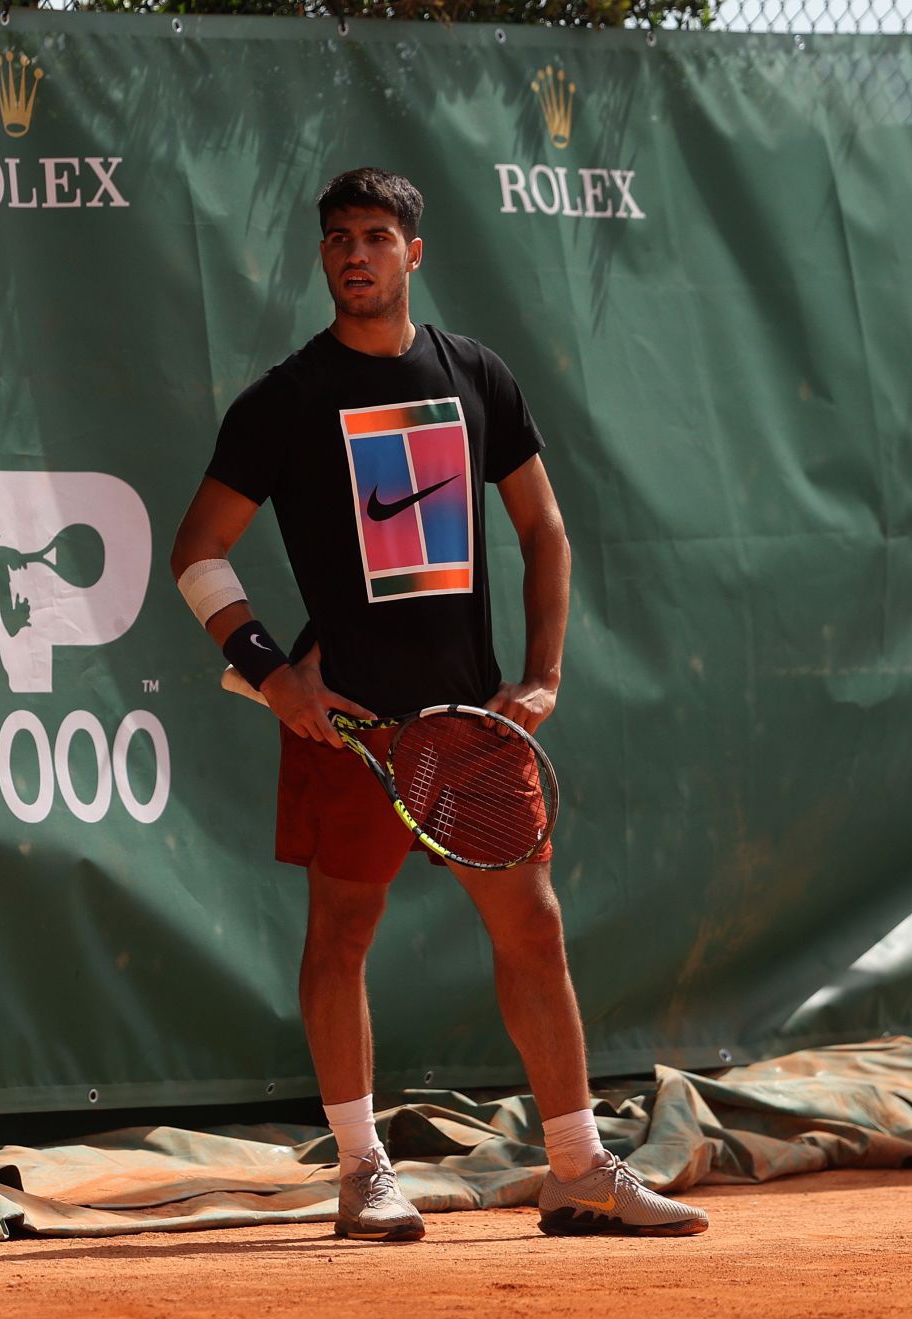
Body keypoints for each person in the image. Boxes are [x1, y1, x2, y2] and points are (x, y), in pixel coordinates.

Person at [169, 167, 708, 1242]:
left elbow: (545, 530)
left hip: (470, 723)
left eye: (376, 236)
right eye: (336, 238)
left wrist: (543, 672)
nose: (354, 254)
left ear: (416, 252)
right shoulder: (283, 401)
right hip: (349, 723)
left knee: (535, 927)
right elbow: (198, 554)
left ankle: (577, 1168)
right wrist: (276, 674)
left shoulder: (479, 376)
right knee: (343, 930)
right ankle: (364, 1170)